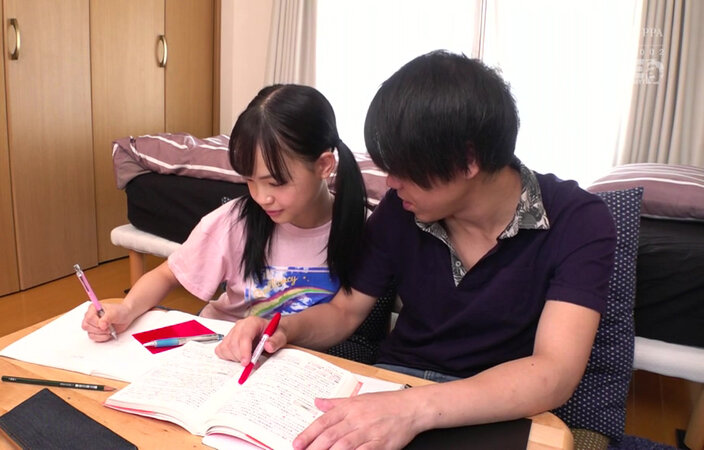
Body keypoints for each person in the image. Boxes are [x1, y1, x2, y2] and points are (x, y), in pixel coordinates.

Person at [215, 50, 617, 449]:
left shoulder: (577, 220)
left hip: (495, 408)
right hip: (395, 382)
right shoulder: (400, 210)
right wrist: (283, 328)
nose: (391, 183)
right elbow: (344, 311)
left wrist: (411, 410)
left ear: (468, 160)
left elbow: (553, 372)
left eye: (404, 170)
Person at [82, 84, 367, 340]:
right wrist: (127, 308)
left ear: (324, 166)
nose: (261, 198)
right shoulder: (235, 221)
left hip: (289, 360)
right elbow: (168, 274)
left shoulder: (359, 228)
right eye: (250, 180)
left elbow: (345, 316)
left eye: (276, 182)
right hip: (219, 345)